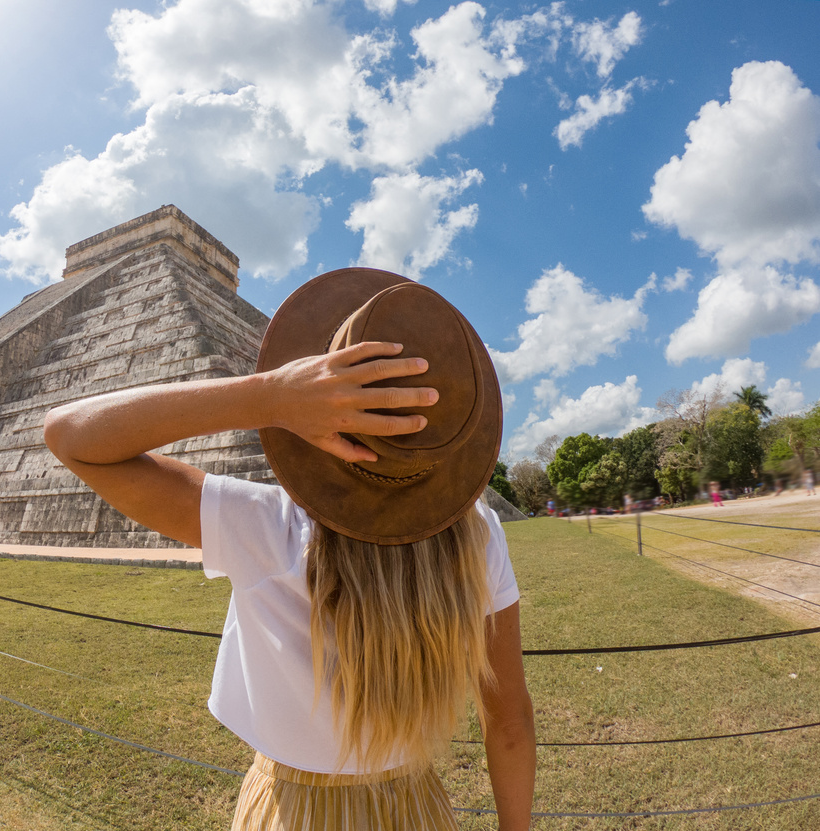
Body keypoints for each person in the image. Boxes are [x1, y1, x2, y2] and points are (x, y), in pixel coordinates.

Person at [44, 268, 536, 830]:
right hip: (416, 807)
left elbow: (70, 434)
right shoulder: (478, 534)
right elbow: (510, 721)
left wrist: (273, 396)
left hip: (291, 811)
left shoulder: (266, 525)